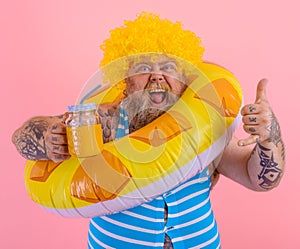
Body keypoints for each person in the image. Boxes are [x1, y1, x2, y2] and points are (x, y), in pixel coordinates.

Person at [12, 12, 285, 249]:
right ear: (125, 81)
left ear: (184, 81)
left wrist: (269, 136)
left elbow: (260, 180)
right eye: (144, 67)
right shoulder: (103, 122)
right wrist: (46, 138)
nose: (157, 76)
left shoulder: (206, 129)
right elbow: (23, 138)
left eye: (168, 67)